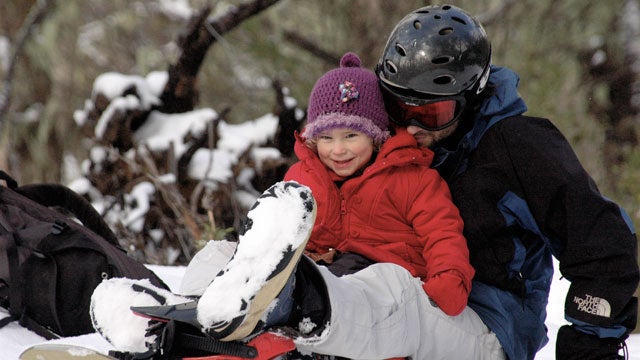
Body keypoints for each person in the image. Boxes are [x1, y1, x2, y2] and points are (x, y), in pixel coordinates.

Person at [91, 52, 502, 360]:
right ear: (311, 139)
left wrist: (447, 284)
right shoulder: (302, 180)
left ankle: (273, 310)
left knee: (378, 284)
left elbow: (443, 235)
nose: (337, 150)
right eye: (326, 138)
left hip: (370, 292)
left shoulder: (413, 179)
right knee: (221, 251)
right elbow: (274, 241)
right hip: (312, 273)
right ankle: (191, 316)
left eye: (351, 136)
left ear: (377, 136)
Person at [375, 4, 639, 360]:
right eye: (398, 108)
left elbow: (600, 238)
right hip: (404, 301)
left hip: (491, 316)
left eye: (431, 114)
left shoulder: (517, 147)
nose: (411, 128)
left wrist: (591, 338)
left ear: (470, 99)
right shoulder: (387, 144)